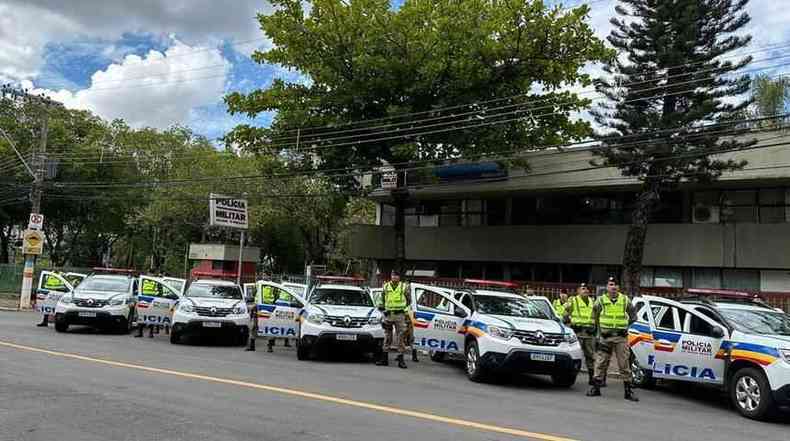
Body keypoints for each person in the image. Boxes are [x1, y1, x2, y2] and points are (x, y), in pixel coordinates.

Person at [587, 277, 639, 402]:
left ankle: (628, 391)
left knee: (624, 364)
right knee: (601, 362)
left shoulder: (625, 300)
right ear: (607, 287)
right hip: (605, 337)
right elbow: (594, 316)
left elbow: (633, 316)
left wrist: (624, 327)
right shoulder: (601, 301)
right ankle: (596, 388)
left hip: (621, 338)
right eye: (611, 284)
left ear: (619, 287)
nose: (613, 287)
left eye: (616, 285)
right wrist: (596, 332)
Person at [564, 283, 596, 385]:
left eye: (587, 289)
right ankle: (571, 377)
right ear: (578, 291)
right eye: (583, 289)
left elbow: (597, 316)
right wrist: (569, 323)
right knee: (575, 355)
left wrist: (595, 328)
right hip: (577, 332)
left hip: (589, 333)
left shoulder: (593, 301)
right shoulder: (573, 300)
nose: (585, 290)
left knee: (590, 356)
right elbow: (564, 313)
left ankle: (591, 378)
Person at [376, 270, 409, 369]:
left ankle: (401, 359)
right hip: (388, 314)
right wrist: (382, 308)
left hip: (400, 315)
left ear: (399, 277)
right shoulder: (385, 286)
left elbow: (409, 300)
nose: (394, 277)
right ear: (391, 276)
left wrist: (404, 310)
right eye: (393, 275)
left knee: (401, 336)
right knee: (387, 336)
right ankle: (384, 359)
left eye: (396, 275)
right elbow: (381, 299)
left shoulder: (404, 287)